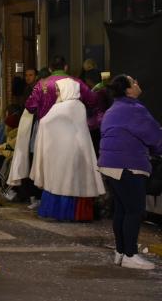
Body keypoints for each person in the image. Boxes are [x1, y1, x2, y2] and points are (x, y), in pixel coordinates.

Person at [98, 75, 162, 270]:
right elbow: (154, 136)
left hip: (110, 165)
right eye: (134, 82)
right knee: (134, 211)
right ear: (127, 90)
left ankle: (120, 251)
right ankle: (130, 255)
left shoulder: (113, 109)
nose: (137, 84)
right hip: (128, 165)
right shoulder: (134, 109)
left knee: (122, 210)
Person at [30, 78, 106, 221]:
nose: (57, 92)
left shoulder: (62, 107)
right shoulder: (79, 106)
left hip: (62, 154)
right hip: (78, 151)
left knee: (60, 182)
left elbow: (45, 122)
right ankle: (76, 214)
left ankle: (59, 212)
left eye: (59, 89)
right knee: (74, 182)